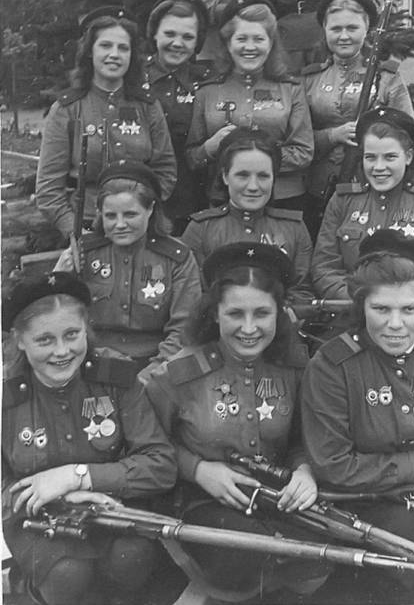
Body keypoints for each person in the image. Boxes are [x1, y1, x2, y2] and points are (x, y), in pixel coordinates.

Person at [141, 242, 331, 600]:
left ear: (280, 313)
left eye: (261, 313)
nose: (249, 328)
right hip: (198, 501)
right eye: (235, 314)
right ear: (214, 314)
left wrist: (304, 470)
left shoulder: (294, 368)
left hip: (274, 498)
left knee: (314, 558)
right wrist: (198, 470)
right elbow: (148, 445)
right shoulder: (177, 375)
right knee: (247, 559)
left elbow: (303, 439)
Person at [302, 229, 414, 603]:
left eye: (410, 310)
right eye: (381, 309)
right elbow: (334, 466)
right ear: (361, 306)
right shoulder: (333, 366)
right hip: (368, 505)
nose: (396, 324)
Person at [2, 271, 177, 605]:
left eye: (72, 335)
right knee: (68, 574)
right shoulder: (6, 399)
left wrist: (78, 478)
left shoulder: (117, 379)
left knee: (133, 556)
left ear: (87, 330)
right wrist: (66, 498)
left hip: (113, 508)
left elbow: (161, 464)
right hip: (39, 521)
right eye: (44, 340)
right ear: (19, 340)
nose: (62, 351)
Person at [36, 9, 177, 241]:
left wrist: (142, 215)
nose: (115, 54)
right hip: (87, 228)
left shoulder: (148, 106)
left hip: (142, 228)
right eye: (105, 46)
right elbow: (48, 190)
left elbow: (166, 171)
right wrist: (76, 232)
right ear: (90, 52)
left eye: (123, 48)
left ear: (132, 55)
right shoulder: (67, 109)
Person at [54, 160, 201, 366]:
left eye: (130, 214)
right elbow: (59, 318)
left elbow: (184, 327)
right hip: (92, 361)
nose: (120, 224)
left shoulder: (176, 258)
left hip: (157, 364)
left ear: (150, 209)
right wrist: (59, 276)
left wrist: (155, 372)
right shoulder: (84, 253)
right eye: (111, 216)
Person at [312, 107, 414, 305]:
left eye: (390, 157)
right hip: (352, 311)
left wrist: (395, 303)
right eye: (370, 157)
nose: (379, 167)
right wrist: (362, 300)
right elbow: (324, 268)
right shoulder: (342, 201)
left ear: (407, 157)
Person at [303, 0, 414, 239]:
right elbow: (297, 138)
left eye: (352, 28)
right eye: (335, 29)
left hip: (374, 184)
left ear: (367, 30)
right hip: (319, 188)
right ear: (324, 30)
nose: (344, 36)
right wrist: (332, 135)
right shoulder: (309, 79)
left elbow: (409, 134)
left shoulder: (386, 77)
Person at [185, 0, 314, 211]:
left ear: (271, 44)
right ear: (228, 43)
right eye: (242, 39)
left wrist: (259, 158)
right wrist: (209, 147)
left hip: (283, 200)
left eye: (259, 39)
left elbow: (304, 152)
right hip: (223, 201)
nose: (250, 47)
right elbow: (192, 157)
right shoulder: (207, 92)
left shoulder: (291, 89)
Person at [182, 126, 314, 305]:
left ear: (274, 177)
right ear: (225, 176)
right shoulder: (201, 229)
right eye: (242, 175)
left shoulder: (294, 228)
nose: (253, 186)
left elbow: (301, 293)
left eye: (263, 176)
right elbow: (193, 296)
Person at [145, 0, 215, 234]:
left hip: (195, 197)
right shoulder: (132, 80)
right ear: (154, 33)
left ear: (198, 41)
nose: (177, 43)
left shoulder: (208, 82)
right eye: (169, 34)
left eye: (187, 37)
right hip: (143, 197)